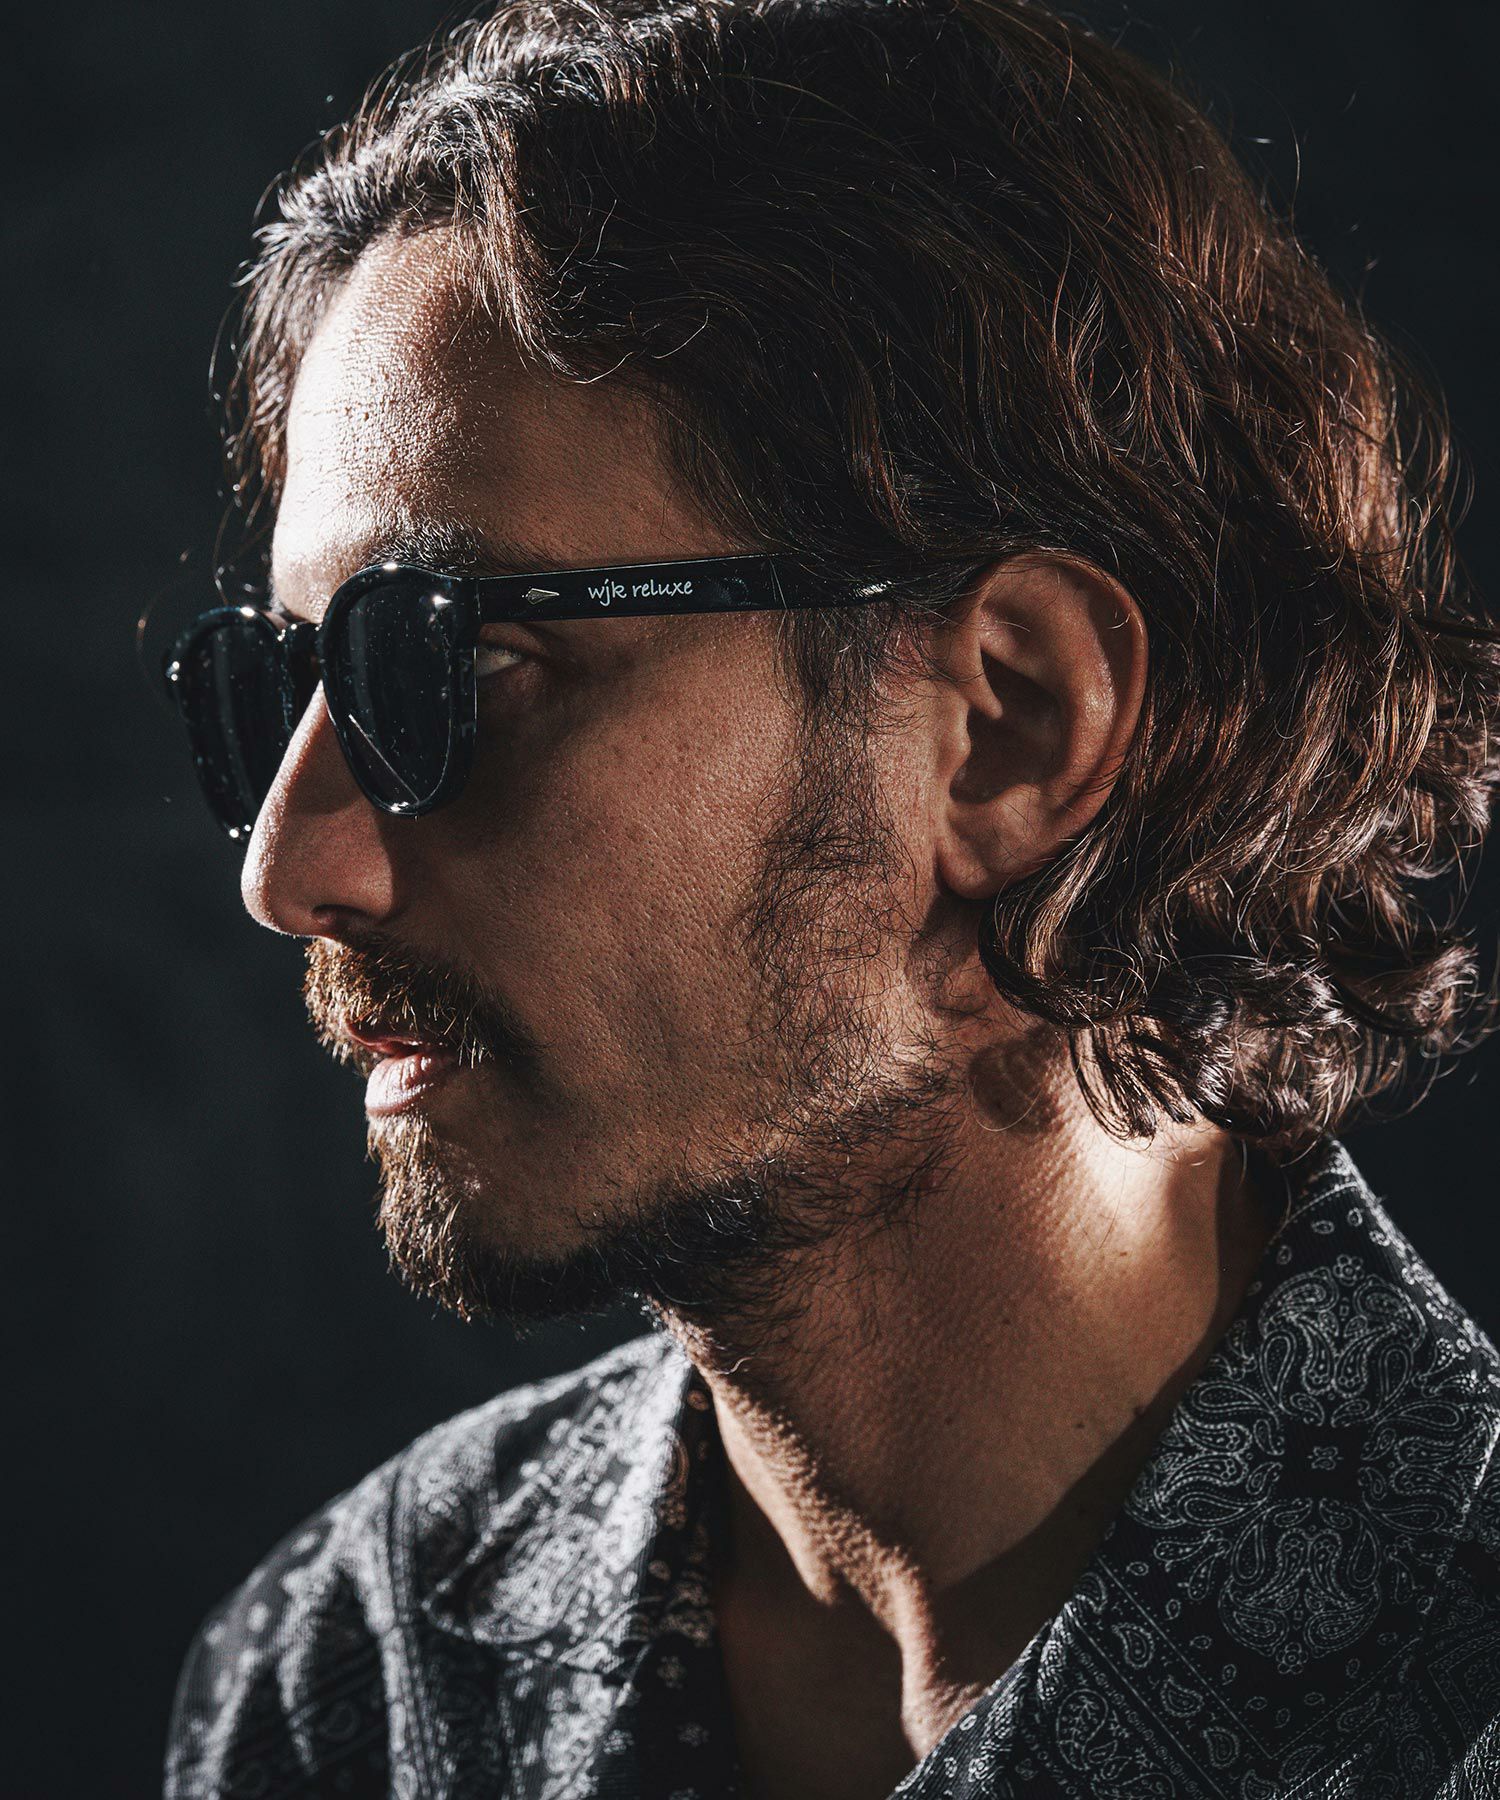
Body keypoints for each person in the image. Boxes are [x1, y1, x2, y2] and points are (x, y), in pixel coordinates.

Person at [160, 0, 1500, 1793]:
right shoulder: (347, 1688)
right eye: (283, 688)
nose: (289, 870)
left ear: (1009, 725)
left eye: (452, 670)